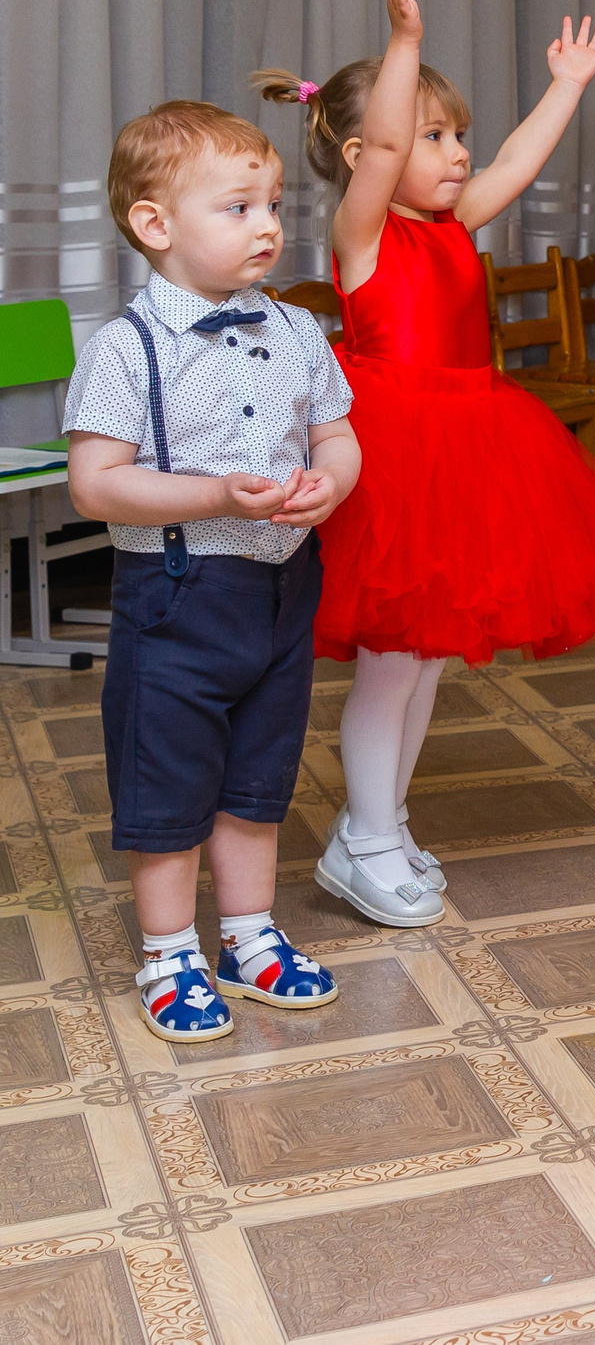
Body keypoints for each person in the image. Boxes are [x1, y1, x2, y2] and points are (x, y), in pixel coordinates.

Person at [253, 0, 595, 927]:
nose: (459, 152)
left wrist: (567, 87)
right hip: (395, 457)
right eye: (436, 136)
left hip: (469, 442)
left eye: (456, 132)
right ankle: (367, 839)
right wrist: (405, 42)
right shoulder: (366, 230)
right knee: (392, 660)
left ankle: (376, 825)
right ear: (361, 155)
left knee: (422, 662)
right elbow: (385, 139)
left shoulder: (452, 224)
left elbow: (514, 163)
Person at [66, 93, 362, 1041]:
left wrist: (332, 482)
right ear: (155, 224)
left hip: (280, 590)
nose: (268, 225)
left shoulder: (297, 329)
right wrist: (209, 495)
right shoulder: (127, 348)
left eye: (274, 204)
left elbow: (339, 432)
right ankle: (168, 952)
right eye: (238, 207)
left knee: (256, 776)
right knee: (169, 784)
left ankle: (248, 934)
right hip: (178, 598)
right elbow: (94, 486)